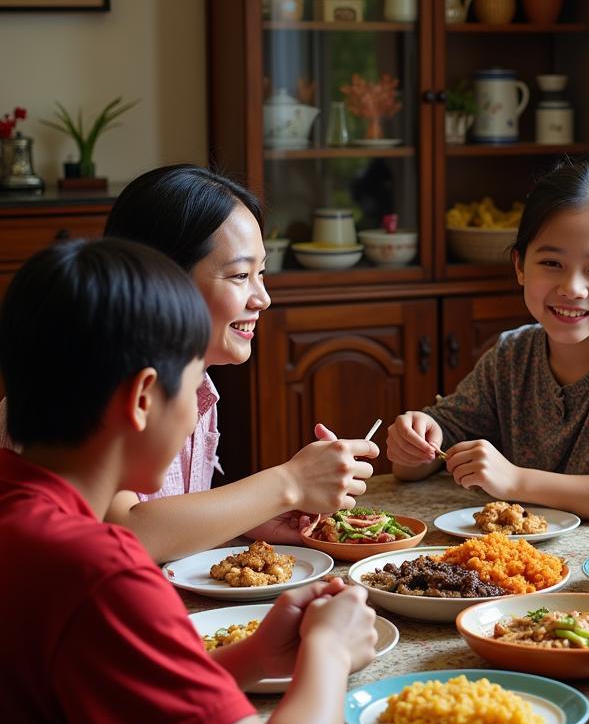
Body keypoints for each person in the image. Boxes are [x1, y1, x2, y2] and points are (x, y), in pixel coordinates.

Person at [0, 239, 379, 724]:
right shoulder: (97, 571)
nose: (199, 403)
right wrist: (329, 654)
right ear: (144, 396)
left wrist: (255, 657)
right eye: (194, 379)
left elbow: (111, 695)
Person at [0, 164, 378, 563]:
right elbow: (122, 533)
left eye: (261, 273)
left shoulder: (196, 384)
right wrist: (288, 483)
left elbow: (170, 511)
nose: (262, 298)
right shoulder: (85, 383)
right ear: (163, 278)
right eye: (239, 275)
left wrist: (251, 518)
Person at [387, 161, 589, 523]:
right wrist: (413, 443)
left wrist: (517, 480)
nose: (572, 288)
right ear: (520, 267)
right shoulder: (511, 355)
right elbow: (414, 467)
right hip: (527, 567)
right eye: (552, 263)